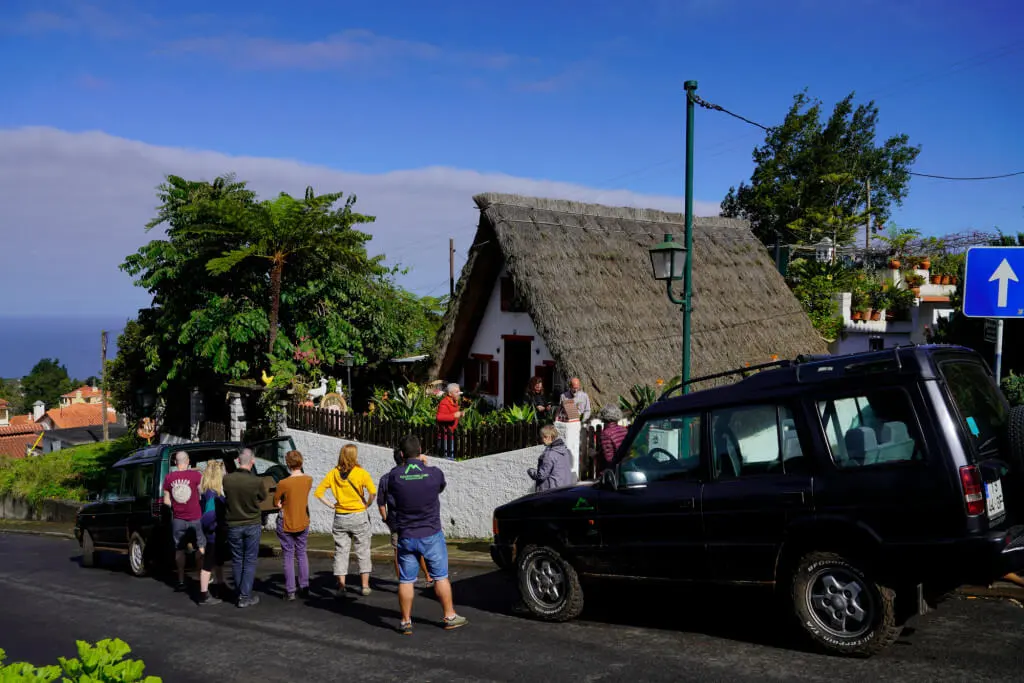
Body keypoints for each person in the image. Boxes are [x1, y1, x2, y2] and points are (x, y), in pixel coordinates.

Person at [385, 434, 468, 635]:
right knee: (440, 577)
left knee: (406, 580)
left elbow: (391, 497)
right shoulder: (434, 473)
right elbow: (440, 487)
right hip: (431, 533)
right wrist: (423, 465)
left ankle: (405, 621)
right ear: (421, 452)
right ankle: (449, 615)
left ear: (402, 454)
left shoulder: (393, 476)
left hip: (406, 535)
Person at [315, 444, 376, 597]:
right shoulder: (361, 473)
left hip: (340, 516)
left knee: (341, 552)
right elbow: (373, 492)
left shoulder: (333, 473)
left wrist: (331, 505)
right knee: (363, 550)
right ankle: (365, 585)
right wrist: (367, 504)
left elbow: (319, 492)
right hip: (359, 515)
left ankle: (341, 586)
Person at [379, 448, 432, 587]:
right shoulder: (412, 475)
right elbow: (429, 484)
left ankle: (403, 580)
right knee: (419, 548)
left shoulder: (386, 478)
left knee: (398, 551)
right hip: (414, 519)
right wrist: (425, 465)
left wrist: (386, 519)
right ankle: (428, 576)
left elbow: (381, 503)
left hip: (395, 520)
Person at [223, 448, 267, 608]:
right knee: (249, 560)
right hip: (252, 522)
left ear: (238, 461)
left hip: (233, 523)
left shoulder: (227, 480)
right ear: (252, 462)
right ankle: (244, 595)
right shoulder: (256, 481)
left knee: (237, 560)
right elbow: (263, 497)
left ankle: (240, 592)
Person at [162, 451, 205, 593]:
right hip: (196, 517)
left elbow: (166, 500)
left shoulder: (169, 478)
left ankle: (181, 580)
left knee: (179, 549)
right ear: (188, 461)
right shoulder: (196, 476)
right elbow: (201, 493)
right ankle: (201, 578)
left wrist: (175, 506)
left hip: (178, 519)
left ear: (175, 462)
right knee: (200, 546)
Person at [273, 450, 313, 601]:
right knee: (302, 553)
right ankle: (305, 586)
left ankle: (290, 590)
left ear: (288, 464)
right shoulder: (308, 480)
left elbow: (276, 502)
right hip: (302, 519)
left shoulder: (283, 483)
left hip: (286, 521)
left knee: (288, 556)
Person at [198, 460, 228, 606]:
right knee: (208, 564)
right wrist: (213, 526)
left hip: (215, 534)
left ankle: (221, 585)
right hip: (213, 535)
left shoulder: (208, 492)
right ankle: (203, 594)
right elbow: (208, 516)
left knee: (218, 561)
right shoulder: (212, 494)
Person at [528, 424, 574, 491]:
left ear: (548, 437)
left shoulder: (549, 454)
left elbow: (541, 476)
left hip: (550, 492)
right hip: (564, 489)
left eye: (542, 437)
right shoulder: (565, 451)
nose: (541, 439)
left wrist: (531, 471)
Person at [596, 404, 628, 476]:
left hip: (612, 474)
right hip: (624, 469)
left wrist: (595, 455)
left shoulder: (606, 434)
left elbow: (609, 459)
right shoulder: (624, 430)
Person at [435, 383, 463, 460]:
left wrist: (460, 414)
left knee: (451, 456)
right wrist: (454, 416)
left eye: (459, 392)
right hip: (445, 436)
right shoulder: (444, 402)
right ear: (450, 393)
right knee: (448, 459)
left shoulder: (454, 402)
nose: (459, 394)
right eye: (456, 392)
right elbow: (439, 417)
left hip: (451, 434)